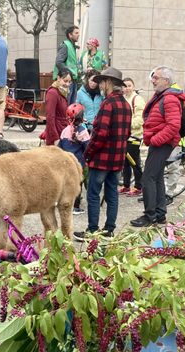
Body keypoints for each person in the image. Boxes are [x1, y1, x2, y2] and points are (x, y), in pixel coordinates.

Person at [74, 67, 131, 240]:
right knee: (112, 193)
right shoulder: (126, 105)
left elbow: (100, 134)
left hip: (102, 159)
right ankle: (109, 230)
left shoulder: (108, 103)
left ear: (108, 83)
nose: (99, 85)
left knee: (93, 194)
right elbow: (126, 134)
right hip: (117, 159)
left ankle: (92, 231)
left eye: (102, 82)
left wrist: (88, 154)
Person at [130, 66, 185, 227]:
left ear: (166, 81)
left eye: (156, 78)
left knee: (148, 178)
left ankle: (150, 215)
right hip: (161, 142)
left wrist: (155, 140)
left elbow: (173, 125)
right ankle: (160, 214)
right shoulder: (163, 97)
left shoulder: (169, 99)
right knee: (158, 178)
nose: (153, 80)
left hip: (162, 143)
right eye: (153, 77)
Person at [58, 103, 90, 215]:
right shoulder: (83, 131)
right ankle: (75, 207)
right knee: (78, 184)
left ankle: (64, 202)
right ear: (81, 117)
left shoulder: (65, 130)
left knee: (66, 184)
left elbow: (59, 147)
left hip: (66, 163)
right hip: (78, 163)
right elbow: (87, 147)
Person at [120, 77, 145, 196]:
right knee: (125, 163)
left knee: (134, 162)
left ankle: (138, 187)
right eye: (124, 86)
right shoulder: (123, 99)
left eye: (129, 85)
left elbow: (140, 119)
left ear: (133, 86)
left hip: (134, 136)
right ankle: (126, 185)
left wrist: (126, 126)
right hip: (124, 136)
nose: (127, 88)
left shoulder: (137, 99)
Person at [43, 69, 72, 146]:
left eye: (69, 82)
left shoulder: (63, 92)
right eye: (65, 81)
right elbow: (50, 117)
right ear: (59, 78)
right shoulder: (52, 93)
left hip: (63, 132)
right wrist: (55, 138)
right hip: (56, 134)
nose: (68, 84)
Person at [53, 25, 80, 104]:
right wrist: (68, 74)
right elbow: (59, 62)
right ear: (70, 35)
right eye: (76, 33)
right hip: (65, 81)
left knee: (70, 106)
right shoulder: (65, 46)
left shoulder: (71, 46)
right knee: (65, 105)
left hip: (72, 80)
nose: (78, 35)